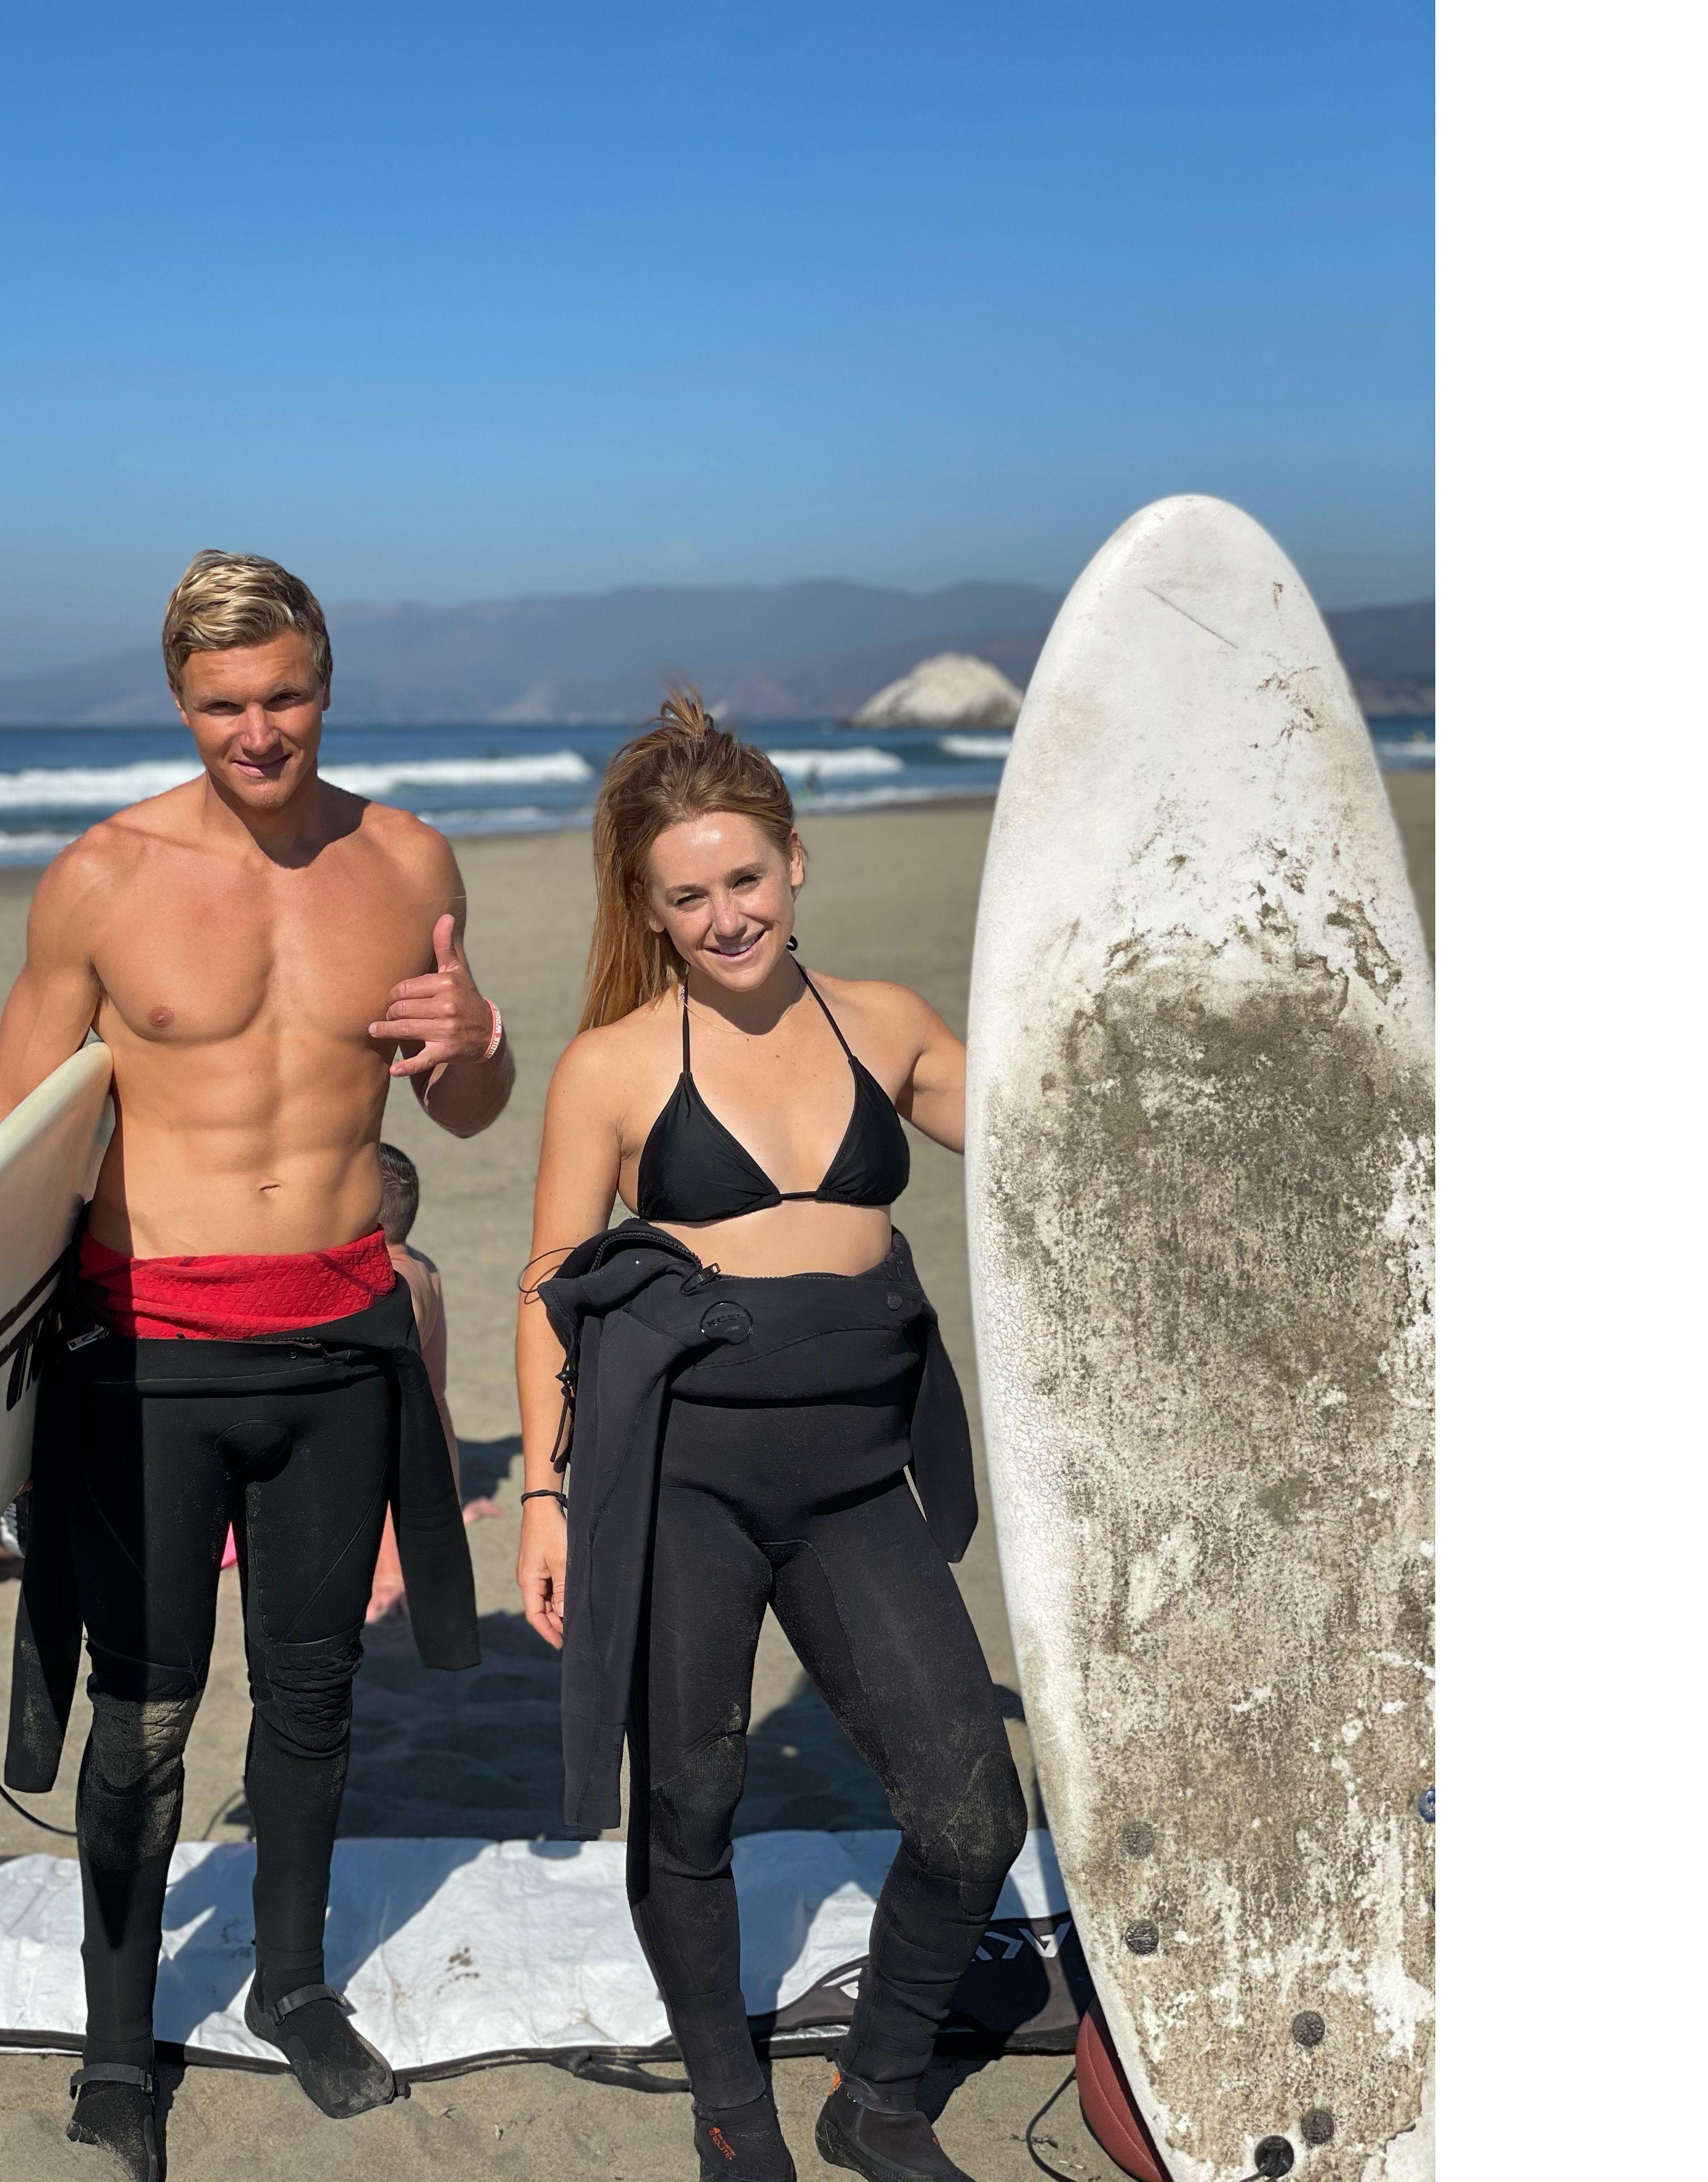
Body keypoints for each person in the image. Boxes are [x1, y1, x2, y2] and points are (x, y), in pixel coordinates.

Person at [0, 550, 515, 2181]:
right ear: (179, 702)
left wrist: (483, 1040)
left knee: (314, 1691)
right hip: (145, 1354)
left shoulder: (409, 854)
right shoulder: (101, 880)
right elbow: (0, 1146)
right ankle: (120, 2048)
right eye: (222, 706)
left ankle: (289, 1986)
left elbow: (462, 1112)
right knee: (142, 1720)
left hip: (341, 1343)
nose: (256, 732)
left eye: (282, 698)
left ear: (326, 684)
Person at [514, 696, 1027, 2182]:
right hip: (684, 1477)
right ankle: (733, 2109)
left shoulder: (889, 1025)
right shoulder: (614, 1066)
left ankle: (877, 2100)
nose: (725, 915)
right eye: (689, 896)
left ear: (795, 863)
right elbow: (551, 1286)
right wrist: (545, 1493)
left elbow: (1054, 1139)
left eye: (745, 879)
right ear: (652, 911)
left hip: (859, 1474)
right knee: (691, 1798)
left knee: (972, 1813)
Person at [360, 1142, 501, 1623]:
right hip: (423, 1429)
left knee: (377, 1461)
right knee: (428, 1426)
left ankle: (392, 1577)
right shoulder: (425, 1268)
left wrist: (390, 1580)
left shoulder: (382, 1283)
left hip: (379, 1439)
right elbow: (437, 1400)